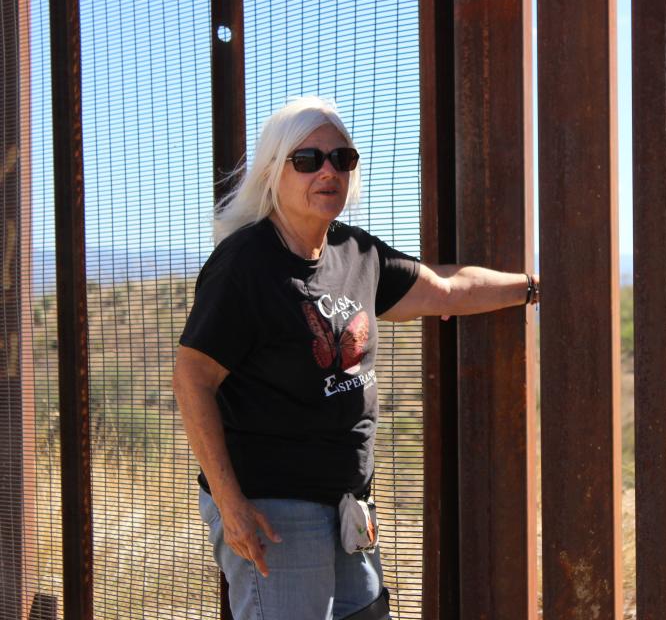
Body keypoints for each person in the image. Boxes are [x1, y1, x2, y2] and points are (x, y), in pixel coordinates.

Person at [172, 96, 539, 620]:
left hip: (348, 503)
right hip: (274, 508)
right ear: (276, 171)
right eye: (309, 160)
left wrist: (531, 288)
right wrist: (231, 506)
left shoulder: (355, 254)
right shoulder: (246, 265)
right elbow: (192, 379)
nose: (329, 171)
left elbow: (448, 291)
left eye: (342, 159)